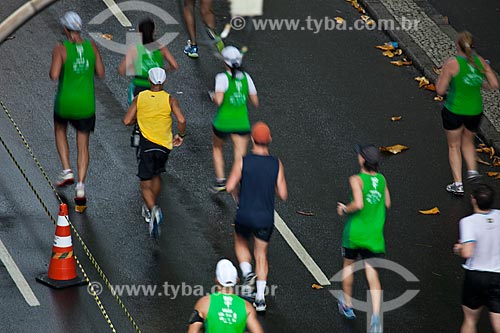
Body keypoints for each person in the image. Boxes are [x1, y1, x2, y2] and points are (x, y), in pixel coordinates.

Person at [226, 122, 288, 312]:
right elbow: (283, 194)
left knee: (240, 241)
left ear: (252, 139)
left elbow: (229, 186)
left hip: (244, 214)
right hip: (265, 218)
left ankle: (247, 273)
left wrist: (237, 193)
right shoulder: (276, 163)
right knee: (261, 255)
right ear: (269, 140)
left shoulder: (243, 161)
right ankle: (260, 299)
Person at [123, 68, 186, 239]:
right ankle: (151, 206)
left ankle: (153, 209)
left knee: (144, 184)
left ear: (150, 81)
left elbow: (127, 120)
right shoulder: (170, 99)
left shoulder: (140, 97)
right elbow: (181, 120)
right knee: (157, 175)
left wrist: (140, 117)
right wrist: (180, 135)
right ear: (163, 82)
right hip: (164, 147)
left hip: (147, 146)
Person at [50, 11, 105, 204]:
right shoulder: (92, 47)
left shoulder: (61, 48)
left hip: (65, 101)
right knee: (83, 145)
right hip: (86, 104)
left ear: (65, 29)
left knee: (59, 129)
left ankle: (67, 170)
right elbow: (101, 72)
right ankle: (80, 187)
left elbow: (54, 74)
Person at [436, 31, 499, 196]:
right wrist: (480, 85)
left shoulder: (452, 63)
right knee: (469, 141)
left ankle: (458, 184)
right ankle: (473, 172)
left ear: (457, 46)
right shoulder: (481, 63)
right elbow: (494, 83)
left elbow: (440, 90)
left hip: (454, 110)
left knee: (453, 145)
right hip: (475, 111)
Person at [336, 145, 391, 332]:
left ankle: (347, 305)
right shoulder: (382, 179)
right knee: (372, 273)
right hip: (374, 235)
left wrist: (344, 208)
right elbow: (387, 202)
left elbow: (358, 204)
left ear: (362, 160)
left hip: (355, 233)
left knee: (348, 266)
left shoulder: (356, 179)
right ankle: (376, 316)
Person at [211, 46, 258, 193]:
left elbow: (219, 100)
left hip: (223, 122)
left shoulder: (222, 78)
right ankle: (239, 180)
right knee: (240, 155)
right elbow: (255, 101)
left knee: (217, 148)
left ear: (225, 62)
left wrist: (213, 96)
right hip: (241, 122)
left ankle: (221, 181)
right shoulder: (247, 78)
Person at [453, 184, 500, 333]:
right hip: (498, 275)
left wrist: (458, 249)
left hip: (476, 277)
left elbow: (467, 252)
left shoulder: (468, 222)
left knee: (470, 320)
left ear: (473, 200)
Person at [187, 259, 263, 333]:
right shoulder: (247, 307)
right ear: (237, 280)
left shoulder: (204, 303)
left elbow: (192, 331)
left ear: (217, 280)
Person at [118, 18, 178, 105]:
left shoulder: (135, 49)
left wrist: (135, 69)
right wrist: (163, 70)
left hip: (139, 86)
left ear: (139, 32)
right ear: (154, 31)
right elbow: (174, 65)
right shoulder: (161, 48)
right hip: (156, 88)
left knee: (136, 113)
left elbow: (121, 70)